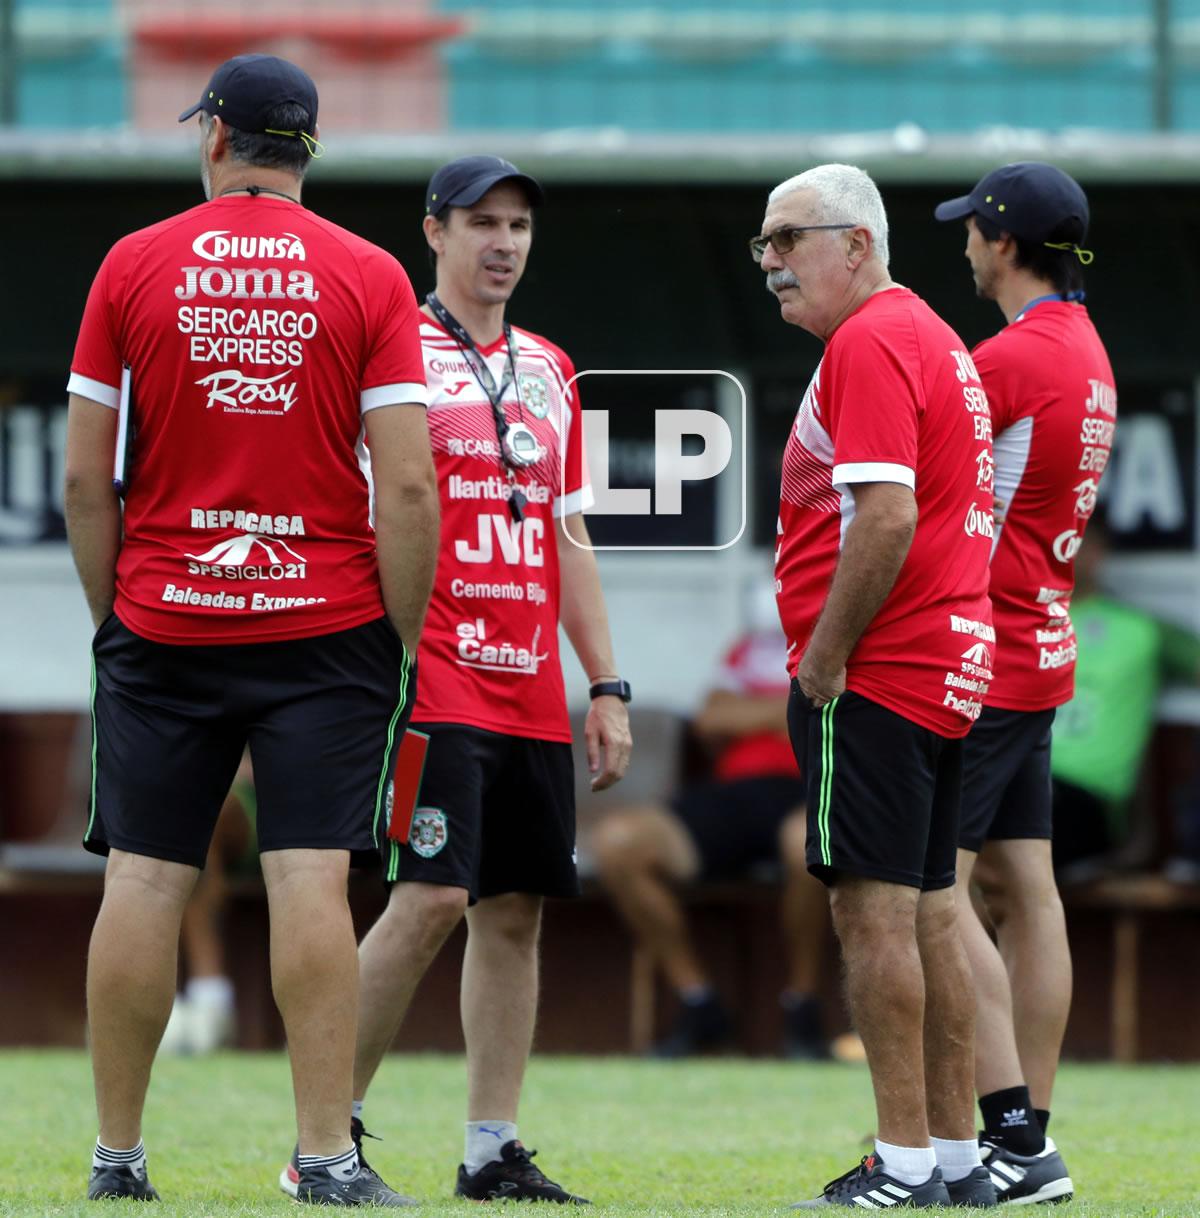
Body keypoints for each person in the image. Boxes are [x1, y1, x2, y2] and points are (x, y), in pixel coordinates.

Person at [65, 54, 438, 1206]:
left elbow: (87, 485)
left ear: (217, 137)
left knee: (143, 877)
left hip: (165, 618)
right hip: (326, 628)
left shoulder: (132, 263)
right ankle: (325, 1156)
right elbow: (413, 490)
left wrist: (117, 623)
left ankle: (118, 1159)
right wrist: (403, 642)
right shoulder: (372, 275)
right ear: (307, 151)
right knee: (309, 879)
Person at [279, 155, 632, 1205]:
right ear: (433, 231)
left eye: (520, 224)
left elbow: (570, 531)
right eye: (482, 221)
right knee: (430, 897)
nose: (505, 243)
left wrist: (605, 682)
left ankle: (492, 1148)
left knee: (515, 909)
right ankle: (323, 1138)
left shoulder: (552, 367)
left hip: (528, 681)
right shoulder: (389, 354)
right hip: (424, 674)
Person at [757, 163, 997, 1209]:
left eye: (787, 239)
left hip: (883, 672)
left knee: (874, 916)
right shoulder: (932, 334)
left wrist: (822, 656)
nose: (769, 263)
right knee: (929, 912)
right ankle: (954, 1157)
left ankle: (900, 1162)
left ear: (856, 245)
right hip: (948, 664)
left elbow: (887, 518)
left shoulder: (869, 340)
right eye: (762, 244)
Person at [934, 161, 1115, 1204]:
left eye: (971, 230)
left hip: (983, 657)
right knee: (1029, 891)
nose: (963, 245)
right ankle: (1026, 1133)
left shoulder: (1002, 357)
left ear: (1005, 245)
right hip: (1043, 646)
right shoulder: (1086, 350)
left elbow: (932, 498)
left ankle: (1011, 1134)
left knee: (932, 890)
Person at [591, 583, 831, 1059]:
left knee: (807, 845)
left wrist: (757, 713)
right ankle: (698, 1001)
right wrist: (789, 709)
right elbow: (712, 717)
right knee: (620, 843)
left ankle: (803, 1005)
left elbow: (837, 716)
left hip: (811, 787)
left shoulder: (845, 641)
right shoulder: (753, 649)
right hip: (733, 794)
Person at [1047, 520, 1200, 877]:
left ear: (1100, 551)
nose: (1068, 550)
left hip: (1086, 800)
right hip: (1017, 776)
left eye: (1081, 541)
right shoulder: (1016, 620)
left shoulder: (1141, 629)